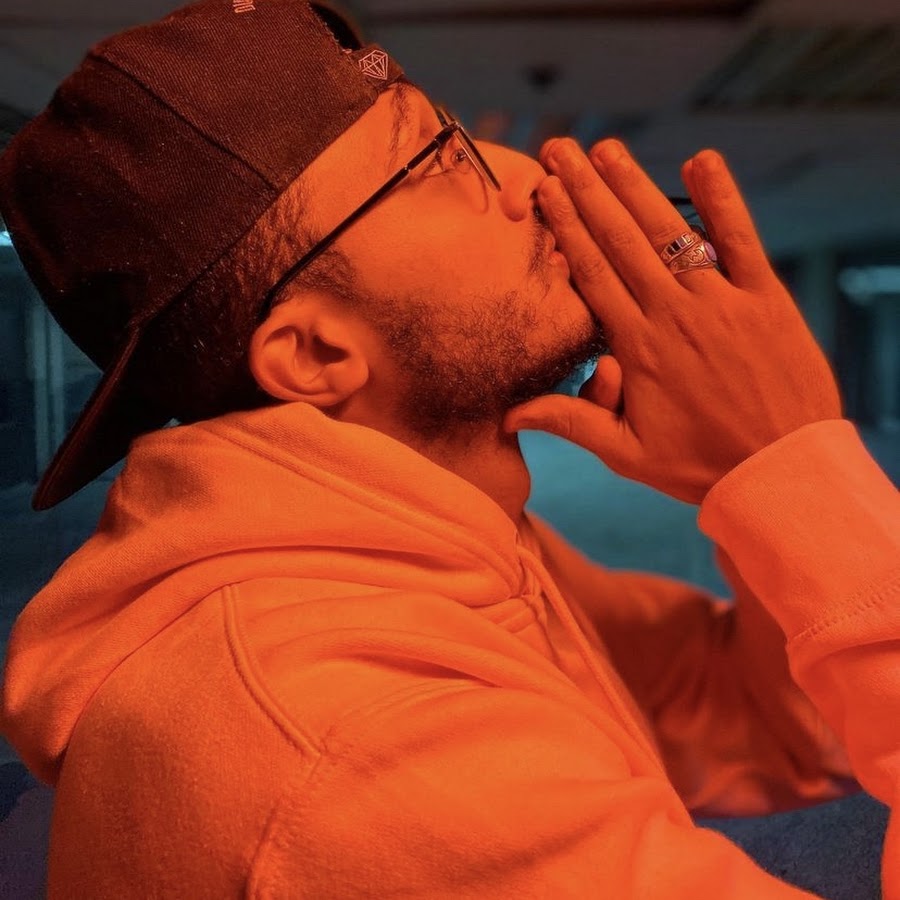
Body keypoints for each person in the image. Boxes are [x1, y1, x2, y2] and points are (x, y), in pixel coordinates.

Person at [0, 1, 897, 897]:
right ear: (314, 356)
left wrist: (762, 485)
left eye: (460, 135)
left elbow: (757, 717)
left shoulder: (423, 537)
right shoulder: (351, 745)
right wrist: (792, 454)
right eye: (436, 163)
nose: (529, 173)